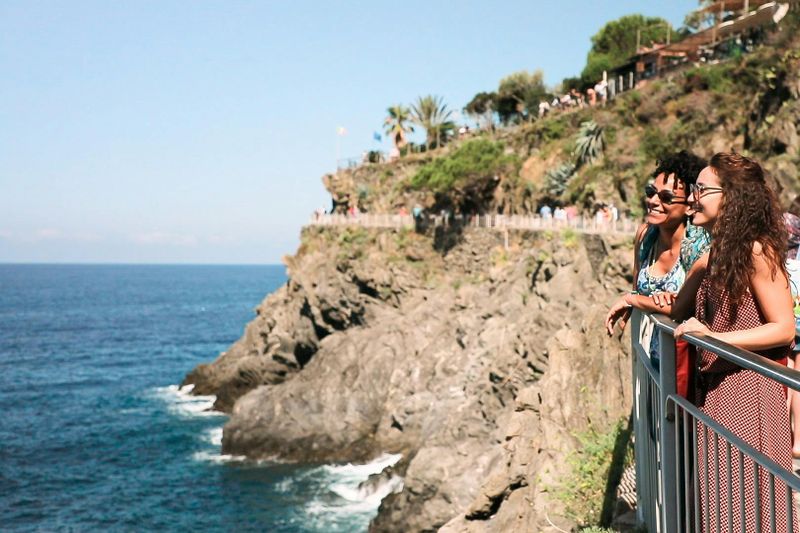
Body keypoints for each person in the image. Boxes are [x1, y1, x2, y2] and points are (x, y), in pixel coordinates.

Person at [670, 153, 795, 532]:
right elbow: (679, 311)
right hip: (721, 390)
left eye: (701, 190)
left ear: (732, 197)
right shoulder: (720, 254)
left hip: (750, 391)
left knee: (744, 505)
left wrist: (714, 338)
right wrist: (696, 270)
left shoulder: (756, 251)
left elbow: (783, 328)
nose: (692, 198)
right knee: (724, 502)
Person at [605, 151, 709, 390]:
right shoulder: (645, 237)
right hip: (650, 361)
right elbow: (636, 290)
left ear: (689, 205)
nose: (653, 201)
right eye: (651, 192)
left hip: (687, 364)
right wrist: (633, 302)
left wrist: (633, 299)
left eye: (666, 197)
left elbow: (686, 305)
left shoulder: (698, 246)